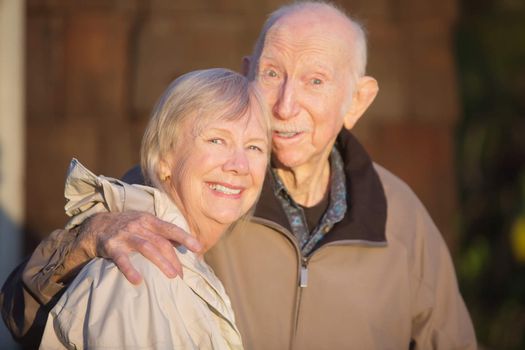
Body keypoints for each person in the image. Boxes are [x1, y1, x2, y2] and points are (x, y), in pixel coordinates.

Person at [1, 1, 477, 349]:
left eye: (315, 81)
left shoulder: (403, 217)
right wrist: (89, 236)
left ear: (357, 101)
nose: (285, 105)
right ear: (248, 75)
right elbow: (21, 313)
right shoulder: (193, 189)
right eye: (272, 74)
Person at [39, 68, 270, 349]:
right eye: (217, 140)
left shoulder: (183, 262)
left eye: (255, 147)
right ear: (163, 159)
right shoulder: (142, 270)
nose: (239, 165)